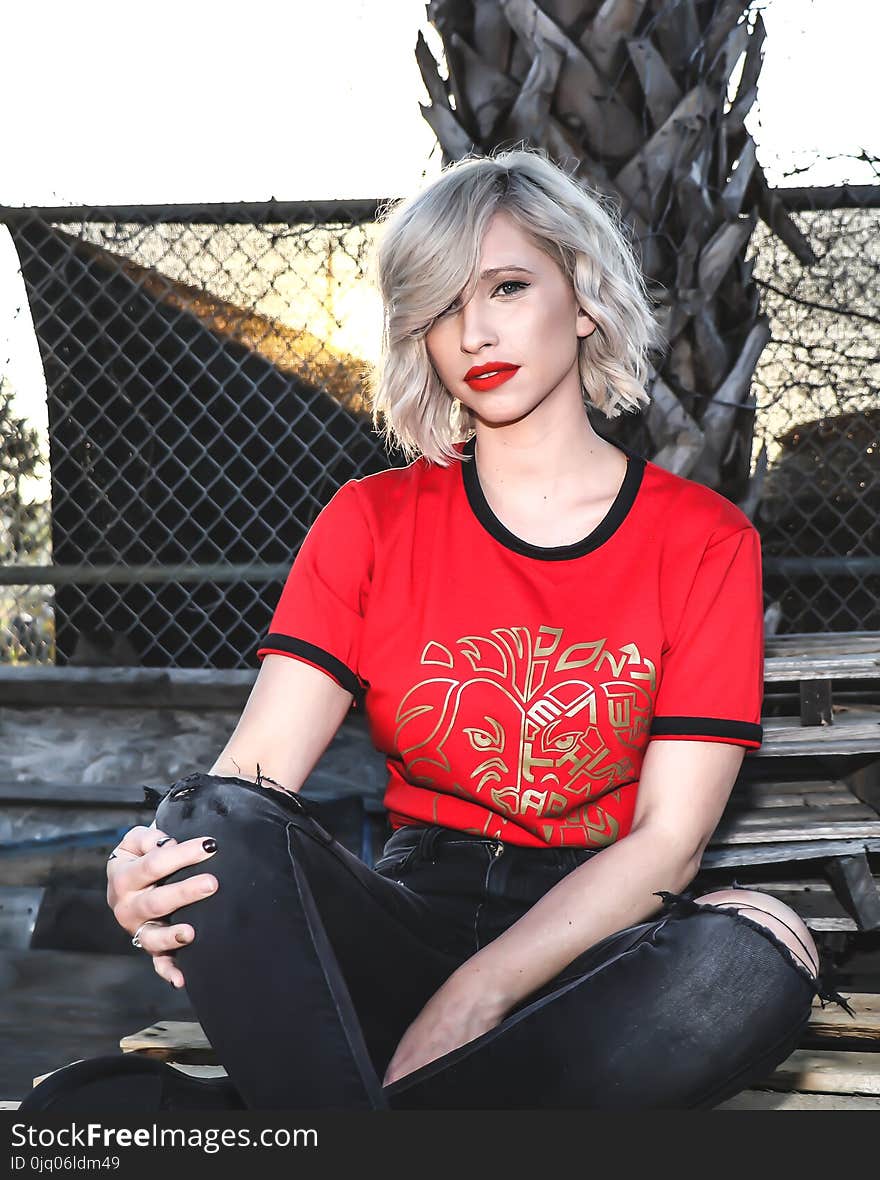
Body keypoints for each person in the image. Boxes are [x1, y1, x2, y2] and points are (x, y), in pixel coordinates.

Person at [19, 146, 851, 1113]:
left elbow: (667, 844)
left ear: (583, 300)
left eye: (506, 285)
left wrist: (475, 995)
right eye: (442, 304)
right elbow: (249, 785)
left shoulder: (703, 540)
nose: (474, 329)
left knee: (753, 956)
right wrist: (149, 861)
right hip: (398, 928)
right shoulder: (372, 520)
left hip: (589, 958)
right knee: (207, 821)